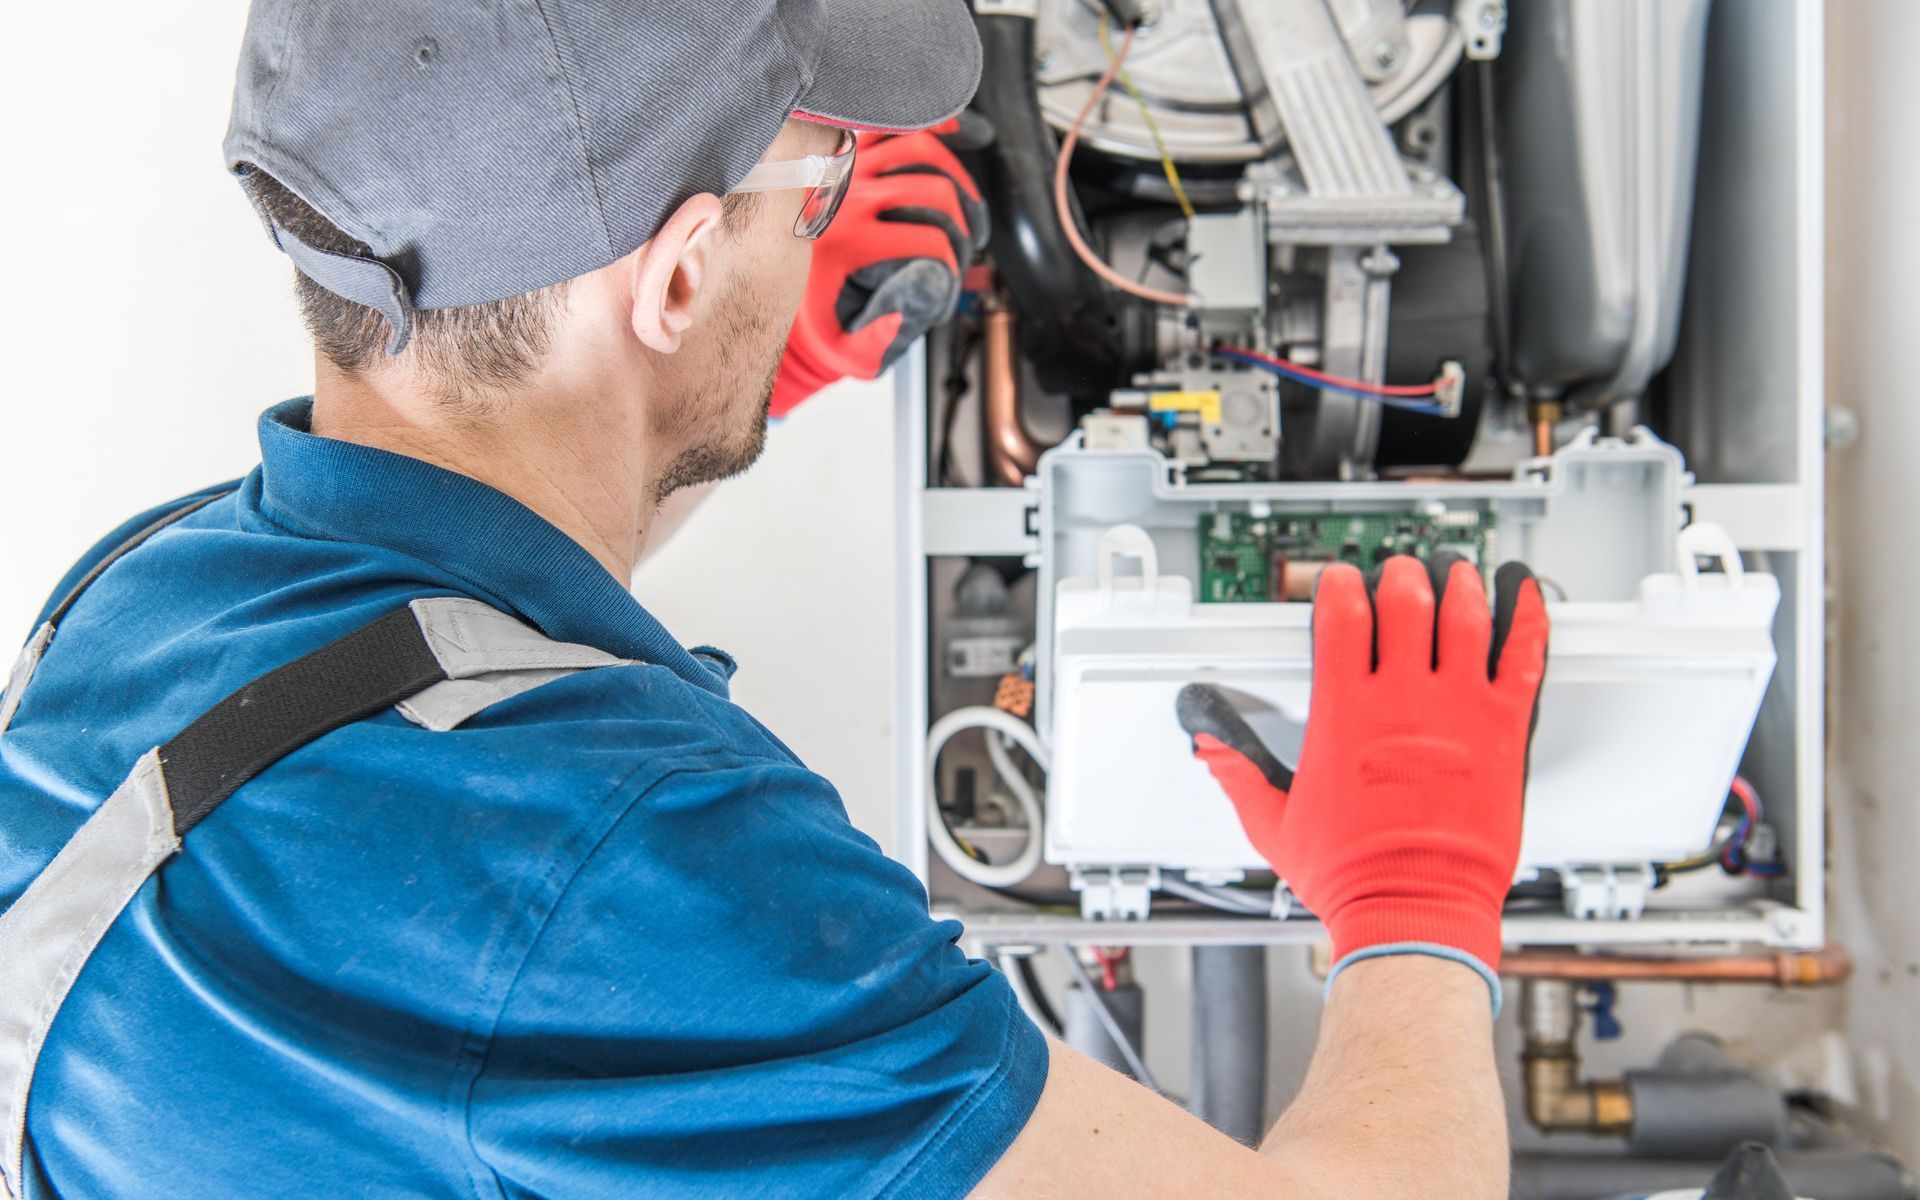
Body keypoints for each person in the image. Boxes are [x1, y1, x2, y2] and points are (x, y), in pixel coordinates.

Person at [0, 2, 1547, 1197]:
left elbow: (457, 633)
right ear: (671, 284)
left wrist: (716, 398)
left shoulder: (149, 595)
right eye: (816, 184)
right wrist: (1414, 897)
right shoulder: (642, 877)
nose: (828, 227)